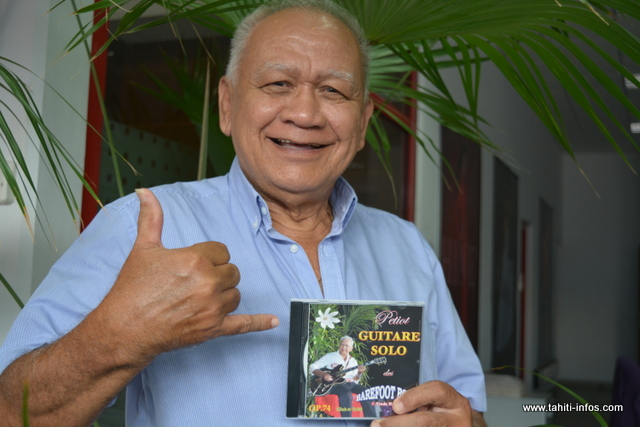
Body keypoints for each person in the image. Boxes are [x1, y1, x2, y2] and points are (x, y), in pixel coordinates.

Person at [0, 0, 487, 426]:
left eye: (334, 91)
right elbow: (9, 412)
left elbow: (470, 409)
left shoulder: (407, 247)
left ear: (362, 124)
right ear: (228, 105)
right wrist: (122, 334)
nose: (305, 114)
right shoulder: (144, 226)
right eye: (278, 83)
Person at [309, 336, 375, 418]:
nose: (343, 347)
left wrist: (359, 373)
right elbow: (312, 367)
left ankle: (370, 419)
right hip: (336, 384)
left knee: (367, 393)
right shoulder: (330, 356)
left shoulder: (353, 361)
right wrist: (323, 375)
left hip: (350, 384)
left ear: (351, 348)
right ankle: (347, 420)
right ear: (339, 345)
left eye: (346, 346)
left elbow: (355, 380)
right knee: (346, 394)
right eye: (342, 344)